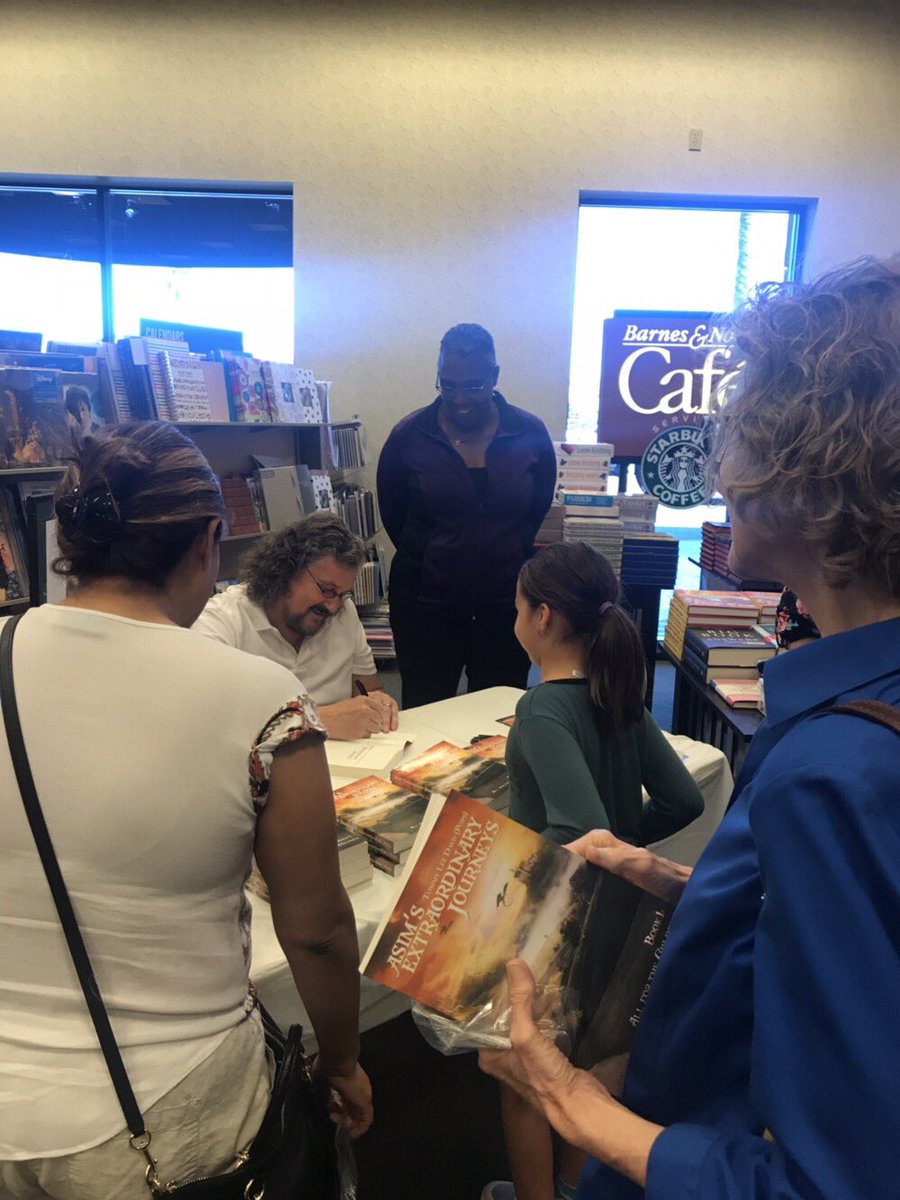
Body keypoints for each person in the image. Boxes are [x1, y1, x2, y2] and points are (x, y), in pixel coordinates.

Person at [479, 257, 900, 1199]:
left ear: (817, 478)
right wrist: (698, 888)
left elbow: (832, 1182)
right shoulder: (855, 719)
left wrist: (577, 1107)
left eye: (740, 425)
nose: (718, 459)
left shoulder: (835, 771)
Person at [0, 422, 372, 1198]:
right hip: (169, 1103)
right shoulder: (263, 698)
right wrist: (341, 1062)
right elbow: (317, 929)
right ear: (209, 541)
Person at [487, 540, 704, 1200]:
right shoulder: (622, 698)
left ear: (544, 616)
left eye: (518, 608)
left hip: (554, 919)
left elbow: (577, 829)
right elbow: (684, 799)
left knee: (522, 1077)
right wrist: (623, 848)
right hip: (616, 909)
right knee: (583, 1072)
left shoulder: (541, 709)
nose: (516, 619)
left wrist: (579, 851)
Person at [377, 323, 556, 708]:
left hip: (507, 607)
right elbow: (393, 515)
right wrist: (436, 553)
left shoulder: (529, 433)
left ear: (494, 377)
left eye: (474, 386)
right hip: (425, 608)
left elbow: (535, 509)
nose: (460, 399)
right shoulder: (409, 436)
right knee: (424, 711)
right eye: (448, 384)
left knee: (498, 715)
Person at [193, 511, 398, 740]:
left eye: (343, 594)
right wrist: (317, 720)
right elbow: (206, 724)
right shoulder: (222, 622)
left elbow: (370, 688)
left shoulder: (344, 613)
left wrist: (379, 704)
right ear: (286, 569)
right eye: (326, 590)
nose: (332, 606)